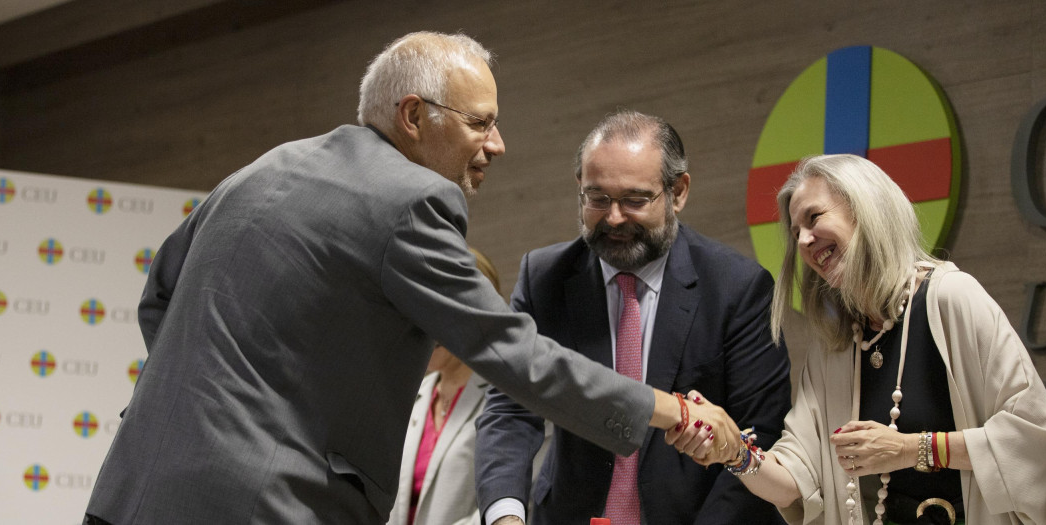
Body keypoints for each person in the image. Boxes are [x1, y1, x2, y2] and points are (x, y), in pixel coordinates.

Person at [84, 31, 730, 525]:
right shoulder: (412, 199)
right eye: (480, 122)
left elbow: (161, 294)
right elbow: (512, 351)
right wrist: (666, 407)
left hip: (131, 490)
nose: (498, 143)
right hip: (265, 506)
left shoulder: (266, 167)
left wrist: (213, 404)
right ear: (415, 117)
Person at [675, 154, 1046, 524]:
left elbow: (1032, 438)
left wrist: (910, 449)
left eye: (814, 218)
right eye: (796, 233)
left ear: (865, 209)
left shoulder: (951, 297)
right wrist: (735, 453)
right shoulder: (836, 346)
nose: (805, 241)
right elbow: (796, 482)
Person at [474, 110, 791, 525]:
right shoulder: (544, 277)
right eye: (598, 198)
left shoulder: (737, 288)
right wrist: (505, 515)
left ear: (678, 192)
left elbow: (759, 432)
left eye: (634, 200)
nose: (615, 217)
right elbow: (511, 408)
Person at [387, 248, 508, 525]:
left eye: (441, 309)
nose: (425, 326)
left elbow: (513, 505)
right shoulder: (407, 396)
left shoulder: (512, 400)